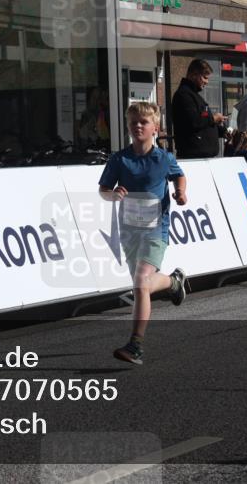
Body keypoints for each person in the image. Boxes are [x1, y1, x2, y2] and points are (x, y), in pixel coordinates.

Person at [98, 102, 188, 365]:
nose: (138, 126)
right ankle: (173, 283)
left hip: (155, 230)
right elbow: (103, 189)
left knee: (140, 281)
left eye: (143, 122)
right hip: (129, 230)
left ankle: (135, 344)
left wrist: (181, 192)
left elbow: (179, 176)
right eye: (133, 122)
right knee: (143, 286)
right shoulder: (120, 159)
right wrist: (112, 195)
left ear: (155, 129)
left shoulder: (164, 158)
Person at [171, 59, 224, 159]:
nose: (207, 82)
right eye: (204, 78)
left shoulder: (193, 95)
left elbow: (202, 122)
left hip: (201, 158)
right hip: (193, 159)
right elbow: (194, 121)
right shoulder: (184, 95)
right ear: (194, 74)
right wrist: (213, 118)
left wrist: (222, 131)